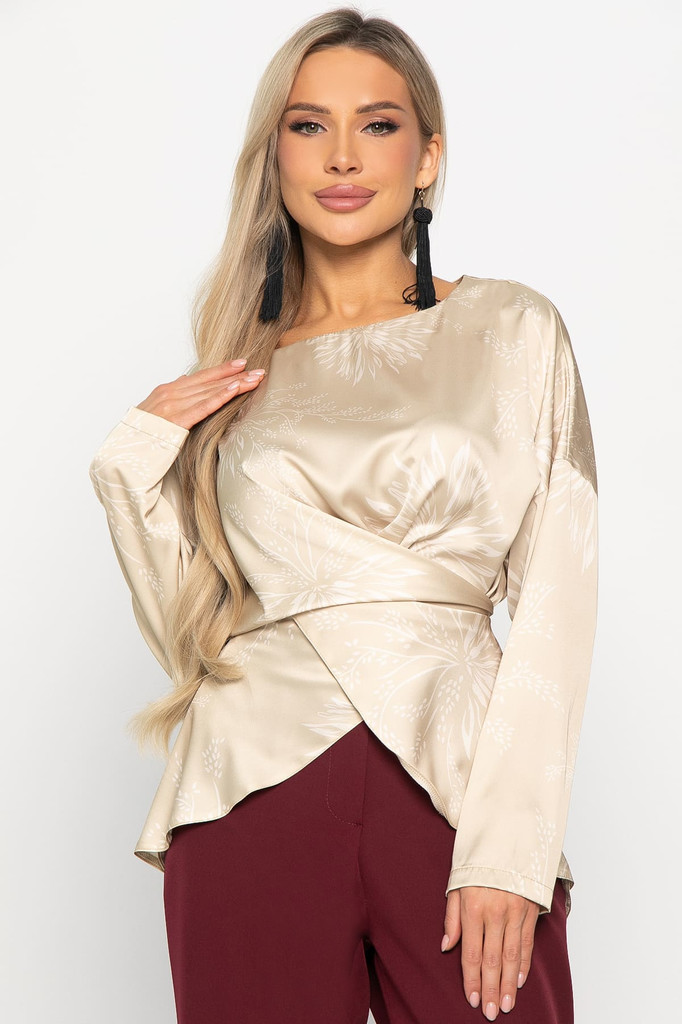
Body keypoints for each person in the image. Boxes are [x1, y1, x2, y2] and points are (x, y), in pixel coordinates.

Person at [89, 8, 598, 1024]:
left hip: (455, 783)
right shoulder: (237, 376)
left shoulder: (512, 327)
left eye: (377, 124)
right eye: (308, 125)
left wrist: (509, 846)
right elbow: (200, 635)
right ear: (274, 154)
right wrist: (128, 466)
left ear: (426, 157)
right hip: (249, 787)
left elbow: (559, 595)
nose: (342, 156)